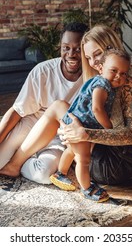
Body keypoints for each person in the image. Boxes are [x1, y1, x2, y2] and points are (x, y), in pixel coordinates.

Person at [0, 24, 132, 188]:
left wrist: (85, 134)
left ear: (111, 48)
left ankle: (16, 164)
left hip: (114, 165)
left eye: (97, 54)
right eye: (89, 58)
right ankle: (25, 159)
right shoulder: (103, 78)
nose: (93, 63)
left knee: (59, 107)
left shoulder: (129, 83)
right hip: (103, 152)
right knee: (63, 111)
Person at [0, 22, 88, 184]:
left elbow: (120, 65)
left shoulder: (92, 76)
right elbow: (17, 111)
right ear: (60, 48)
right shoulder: (43, 71)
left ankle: (21, 159)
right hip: (32, 123)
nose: (71, 54)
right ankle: (18, 153)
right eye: (66, 48)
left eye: (78, 49)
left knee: (43, 175)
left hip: (59, 135)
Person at [49, 48, 131, 202]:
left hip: (78, 122)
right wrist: (109, 129)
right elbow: (97, 108)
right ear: (101, 68)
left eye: (124, 73)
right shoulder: (102, 84)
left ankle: (60, 173)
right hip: (80, 124)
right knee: (83, 159)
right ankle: (87, 189)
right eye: (114, 70)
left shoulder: (103, 82)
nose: (119, 76)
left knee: (72, 151)